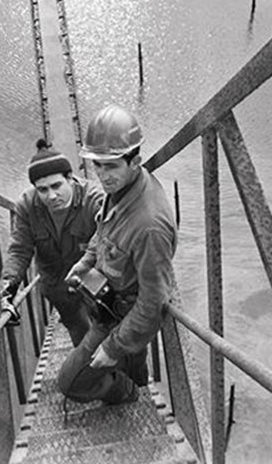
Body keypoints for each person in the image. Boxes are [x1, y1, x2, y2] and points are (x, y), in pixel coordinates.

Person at [57, 105, 178, 405]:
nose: (101, 175)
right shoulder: (122, 186)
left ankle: (127, 393)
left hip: (124, 319)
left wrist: (112, 347)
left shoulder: (149, 226)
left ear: (134, 161)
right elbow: (103, 231)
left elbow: (153, 302)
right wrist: (85, 263)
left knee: (69, 382)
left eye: (110, 166)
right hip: (107, 302)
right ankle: (135, 382)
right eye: (97, 165)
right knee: (134, 367)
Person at [0, 139, 104, 346]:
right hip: (56, 283)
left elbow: (109, 236)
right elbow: (20, 249)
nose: (52, 195)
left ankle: (114, 370)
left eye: (57, 186)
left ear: (70, 178)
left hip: (91, 276)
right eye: (43, 189)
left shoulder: (94, 199)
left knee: (105, 323)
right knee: (77, 328)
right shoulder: (27, 206)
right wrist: (8, 286)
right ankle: (89, 370)